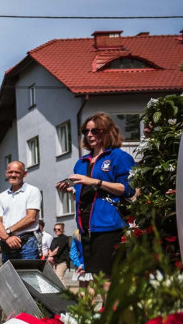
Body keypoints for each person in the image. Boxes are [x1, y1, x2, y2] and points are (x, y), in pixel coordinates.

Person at [55, 113, 136, 279]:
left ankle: (112, 306)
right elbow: (85, 192)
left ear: (107, 132)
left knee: (111, 280)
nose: (89, 135)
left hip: (110, 227)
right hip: (87, 230)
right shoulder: (82, 162)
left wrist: (95, 182)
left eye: (95, 131)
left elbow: (128, 189)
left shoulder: (119, 156)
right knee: (99, 281)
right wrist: (72, 191)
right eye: (86, 131)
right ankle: (107, 306)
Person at [0, 161, 41, 262]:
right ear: (6, 173)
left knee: (28, 276)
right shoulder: (2, 196)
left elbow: (31, 217)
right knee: (9, 276)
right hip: (7, 242)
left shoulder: (32, 191)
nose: (13, 175)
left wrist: (8, 231)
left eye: (17, 172)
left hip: (27, 243)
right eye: (10, 172)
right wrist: (7, 237)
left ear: (25, 174)